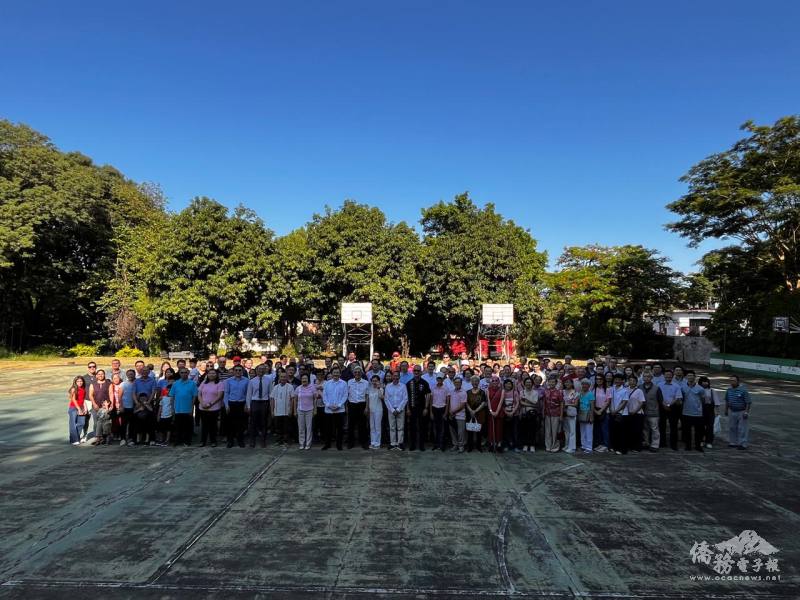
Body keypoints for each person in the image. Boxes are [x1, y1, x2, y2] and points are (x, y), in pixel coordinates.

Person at [170, 368, 198, 446]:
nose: (184, 374)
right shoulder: (175, 383)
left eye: (185, 372)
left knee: (187, 427)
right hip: (178, 409)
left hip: (188, 409)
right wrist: (172, 408)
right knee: (178, 427)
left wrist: (192, 408)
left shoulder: (192, 384)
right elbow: (172, 396)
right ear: (179, 373)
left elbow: (194, 397)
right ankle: (178, 440)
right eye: (182, 372)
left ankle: (187, 441)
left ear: (188, 373)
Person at [406, 365, 431, 452]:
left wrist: (426, 408)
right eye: (415, 371)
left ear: (421, 372)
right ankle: (413, 445)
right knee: (412, 427)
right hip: (412, 408)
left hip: (421, 408)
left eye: (418, 371)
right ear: (413, 372)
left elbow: (428, 395)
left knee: (422, 427)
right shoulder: (409, 383)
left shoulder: (424, 383)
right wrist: (408, 409)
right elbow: (407, 397)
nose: (416, 372)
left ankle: (421, 445)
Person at [223, 365, 249, 448]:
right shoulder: (228, 381)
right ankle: (230, 441)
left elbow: (248, 394)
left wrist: (246, 404)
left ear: (242, 371)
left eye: (239, 370)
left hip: (242, 404)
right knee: (230, 424)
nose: (238, 372)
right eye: (236, 370)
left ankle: (240, 440)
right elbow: (226, 393)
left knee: (241, 424)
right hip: (232, 404)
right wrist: (226, 405)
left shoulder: (246, 381)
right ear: (233, 371)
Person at [247, 364, 272, 448]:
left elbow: (270, 393)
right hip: (255, 403)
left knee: (263, 423)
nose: (261, 371)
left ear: (265, 370)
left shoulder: (268, 380)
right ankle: (252, 440)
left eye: (262, 369)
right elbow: (249, 395)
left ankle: (263, 441)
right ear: (256, 370)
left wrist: (270, 405)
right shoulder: (252, 381)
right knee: (253, 423)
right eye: (259, 369)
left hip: (264, 403)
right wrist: (248, 406)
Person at [322, 367, 348, 450]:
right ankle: (327, 444)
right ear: (331, 373)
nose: (336, 374)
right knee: (328, 428)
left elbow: (345, 395)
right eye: (334, 372)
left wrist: (339, 405)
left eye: (337, 373)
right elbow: (324, 395)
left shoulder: (344, 383)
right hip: (328, 410)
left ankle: (339, 445)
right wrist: (329, 405)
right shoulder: (327, 383)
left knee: (339, 429)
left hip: (339, 409)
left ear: (340, 374)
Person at [198, 368, 224, 447]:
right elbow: (199, 394)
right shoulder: (203, 383)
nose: (211, 375)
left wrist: (210, 404)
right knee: (204, 425)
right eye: (210, 373)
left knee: (213, 426)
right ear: (207, 375)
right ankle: (203, 441)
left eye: (213, 373)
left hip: (214, 408)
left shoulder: (220, 383)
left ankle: (213, 441)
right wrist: (202, 403)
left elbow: (220, 396)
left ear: (216, 375)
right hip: (203, 408)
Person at [658, 369, 683, 451]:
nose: (668, 376)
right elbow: (658, 397)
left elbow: (678, 397)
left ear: (672, 376)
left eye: (670, 375)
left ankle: (673, 444)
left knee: (673, 427)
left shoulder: (676, 386)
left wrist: (669, 405)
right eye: (666, 375)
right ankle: (662, 443)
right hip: (662, 407)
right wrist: (664, 404)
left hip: (673, 408)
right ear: (664, 376)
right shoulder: (659, 385)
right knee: (662, 426)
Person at [725, 375, 752, 450]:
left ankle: (743, 444)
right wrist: (726, 410)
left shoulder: (743, 390)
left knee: (742, 428)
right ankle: (733, 442)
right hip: (732, 411)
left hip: (741, 411)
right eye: (731, 380)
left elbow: (748, 402)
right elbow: (727, 400)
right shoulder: (729, 390)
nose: (732, 382)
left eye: (734, 380)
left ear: (738, 381)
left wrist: (746, 412)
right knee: (732, 427)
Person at [681, 371, 705, 452]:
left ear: (695, 377)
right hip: (686, 412)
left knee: (698, 432)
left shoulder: (700, 388)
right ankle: (688, 446)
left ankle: (698, 446)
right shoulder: (682, 387)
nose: (690, 377)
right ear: (686, 377)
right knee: (687, 431)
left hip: (697, 413)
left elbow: (703, 400)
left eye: (692, 376)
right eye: (688, 375)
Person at [384, 370, 408, 450]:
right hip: (391, 410)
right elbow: (386, 399)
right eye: (394, 376)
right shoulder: (388, 386)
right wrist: (392, 409)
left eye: (397, 376)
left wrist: (398, 409)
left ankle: (400, 443)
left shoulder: (403, 386)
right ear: (392, 377)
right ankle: (393, 443)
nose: (395, 377)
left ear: (399, 377)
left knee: (400, 427)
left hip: (400, 409)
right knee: (392, 427)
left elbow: (405, 398)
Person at [346, 368, 369, 450]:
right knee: (351, 425)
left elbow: (367, 395)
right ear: (353, 373)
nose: (357, 373)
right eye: (355, 372)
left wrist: (366, 407)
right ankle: (350, 443)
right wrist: (347, 407)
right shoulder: (349, 382)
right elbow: (347, 395)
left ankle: (363, 442)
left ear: (361, 373)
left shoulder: (366, 382)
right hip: (352, 405)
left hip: (362, 405)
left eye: (359, 372)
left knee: (362, 425)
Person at [293, 373, 317, 450]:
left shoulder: (312, 388)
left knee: (309, 428)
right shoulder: (298, 388)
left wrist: (315, 410)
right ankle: (301, 443)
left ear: (308, 379)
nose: (304, 380)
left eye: (305, 378)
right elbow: (295, 400)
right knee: (301, 428)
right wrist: (295, 411)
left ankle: (308, 443)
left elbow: (315, 399)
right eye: (303, 378)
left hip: (310, 410)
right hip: (300, 410)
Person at [270, 371, 293, 446]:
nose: (283, 378)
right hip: (277, 411)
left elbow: (292, 399)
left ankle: (286, 441)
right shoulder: (276, 387)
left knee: (286, 427)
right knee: (278, 427)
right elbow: (272, 399)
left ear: (286, 378)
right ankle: (279, 440)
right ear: (279, 378)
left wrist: (291, 410)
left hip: (286, 411)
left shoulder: (290, 386)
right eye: (281, 377)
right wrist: (272, 411)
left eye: (284, 377)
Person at [88, 367, 111, 442]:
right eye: (99, 374)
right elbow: (90, 395)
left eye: (102, 374)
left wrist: (109, 404)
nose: (100, 375)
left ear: (104, 375)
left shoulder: (108, 383)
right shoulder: (93, 384)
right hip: (96, 405)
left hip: (105, 405)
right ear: (96, 375)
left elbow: (110, 394)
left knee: (106, 422)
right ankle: (97, 437)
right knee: (96, 422)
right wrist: (94, 404)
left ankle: (105, 437)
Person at [640, 372, 661, 452]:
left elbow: (660, 400)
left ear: (651, 378)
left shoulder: (656, 388)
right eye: (645, 376)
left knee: (654, 429)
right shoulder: (640, 387)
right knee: (645, 429)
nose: (646, 378)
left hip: (653, 412)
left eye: (648, 376)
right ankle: (646, 443)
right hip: (642, 412)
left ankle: (655, 445)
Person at [542, 375, 563, 452]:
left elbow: (561, 403)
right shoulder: (546, 391)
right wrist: (543, 412)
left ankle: (555, 446)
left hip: (556, 413)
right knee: (548, 431)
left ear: (556, 383)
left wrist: (561, 415)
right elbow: (544, 402)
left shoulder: (559, 392)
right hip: (547, 413)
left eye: (553, 382)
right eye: (550, 382)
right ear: (548, 382)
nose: (551, 383)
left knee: (555, 431)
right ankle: (548, 445)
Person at [465, 376, 487, 452]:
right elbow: (466, 403)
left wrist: (475, 411)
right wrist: (471, 411)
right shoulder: (467, 392)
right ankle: (470, 446)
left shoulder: (482, 392)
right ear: (471, 382)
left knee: (479, 431)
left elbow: (483, 403)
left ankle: (478, 446)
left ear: (478, 382)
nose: (475, 383)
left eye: (476, 381)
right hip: (470, 413)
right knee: (470, 430)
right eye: (473, 381)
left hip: (479, 413)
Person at [519, 377, 540, 452]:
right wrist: (532, 405)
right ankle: (525, 444)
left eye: (530, 382)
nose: (528, 384)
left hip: (532, 414)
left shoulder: (535, 392)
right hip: (524, 413)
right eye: (527, 382)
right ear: (524, 383)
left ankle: (532, 445)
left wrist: (526, 400)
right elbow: (521, 402)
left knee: (532, 430)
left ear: (532, 383)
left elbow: (535, 402)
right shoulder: (522, 392)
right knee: (524, 430)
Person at [609, 374, 628, 454]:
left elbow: (624, 402)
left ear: (622, 380)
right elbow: (609, 400)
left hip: (622, 413)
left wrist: (616, 410)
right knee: (614, 431)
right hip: (613, 413)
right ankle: (615, 447)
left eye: (619, 379)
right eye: (616, 379)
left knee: (622, 433)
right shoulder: (611, 389)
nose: (617, 381)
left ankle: (622, 449)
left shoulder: (625, 390)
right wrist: (611, 410)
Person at [698, 376, 719, 449]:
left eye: (706, 381)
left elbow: (716, 402)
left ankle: (709, 442)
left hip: (710, 410)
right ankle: (701, 440)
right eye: (703, 381)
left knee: (710, 427)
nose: (705, 383)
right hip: (700, 410)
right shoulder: (698, 390)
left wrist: (716, 412)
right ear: (700, 382)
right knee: (700, 426)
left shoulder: (712, 391)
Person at [447, 377, 467, 453]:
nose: (457, 384)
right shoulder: (451, 391)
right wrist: (449, 412)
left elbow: (462, 405)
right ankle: (455, 444)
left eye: (459, 382)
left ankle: (461, 445)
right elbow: (449, 402)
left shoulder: (463, 392)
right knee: (452, 431)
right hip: (451, 415)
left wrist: (453, 412)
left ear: (461, 383)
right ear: (454, 383)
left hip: (460, 415)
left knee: (460, 432)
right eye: (456, 382)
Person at [625, 375, 645, 453]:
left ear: (636, 382)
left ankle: (637, 447)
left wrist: (635, 411)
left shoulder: (639, 391)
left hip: (637, 414)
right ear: (628, 381)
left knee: (637, 431)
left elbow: (642, 402)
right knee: (629, 431)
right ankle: (630, 446)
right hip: (628, 413)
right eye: (630, 380)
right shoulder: (625, 390)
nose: (632, 382)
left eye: (634, 381)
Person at [500, 378, 520, 452]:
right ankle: (506, 445)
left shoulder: (515, 392)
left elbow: (517, 403)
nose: (508, 385)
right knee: (506, 431)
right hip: (505, 414)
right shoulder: (503, 392)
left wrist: (512, 412)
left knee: (514, 431)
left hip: (515, 414)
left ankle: (515, 446)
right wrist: (506, 412)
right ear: (504, 385)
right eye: (506, 384)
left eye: (509, 384)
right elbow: (501, 404)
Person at [430, 375, 449, 451]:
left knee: (442, 428)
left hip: (442, 409)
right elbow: (431, 401)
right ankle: (436, 444)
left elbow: (448, 401)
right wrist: (431, 412)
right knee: (435, 428)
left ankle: (441, 445)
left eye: (441, 378)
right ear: (437, 379)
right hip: (435, 408)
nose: (439, 380)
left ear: (443, 379)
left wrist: (446, 412)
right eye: (438, 378)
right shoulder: (433, 387)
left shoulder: (446, 388)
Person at [67, 376, 88, 445]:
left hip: (81, 407)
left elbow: (83, 399)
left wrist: (85, 408)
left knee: (82, 423)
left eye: (81, 381)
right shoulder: (73, 389)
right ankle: (74, 440)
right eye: (78, 381)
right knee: (73, 424)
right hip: (73, 408)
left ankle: (74, 438)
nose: (80, 382)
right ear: (75, 382)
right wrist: (79, 409)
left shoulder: (83, 389)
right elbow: (73, 399)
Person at [156, 371, 175, 447]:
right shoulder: (163, 398)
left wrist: (173, 416)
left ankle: (167, 440)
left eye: (170, 390)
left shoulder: (173, 398)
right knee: (161, 429)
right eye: (167, 390)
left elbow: (173, 407)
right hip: (162, 415)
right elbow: (160, 407)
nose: (169, 391)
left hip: (170, 415)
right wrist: (158, 416)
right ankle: (161, 439)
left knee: (168, 429)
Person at [592, 373, 610, 452]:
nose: (598, 380)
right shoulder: (593, 389)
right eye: (597, 379)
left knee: (604, 429)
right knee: (597, 429)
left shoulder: (607, 389)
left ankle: (606, 445)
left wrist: (601, 411)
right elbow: (591, 401)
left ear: (603, 380)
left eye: (600, 379)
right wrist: (595, 411)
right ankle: (599, 444)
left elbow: (608, 401)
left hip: (604, 410)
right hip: (595, 410)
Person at [119, 369, 137, 445]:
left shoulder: (137, 383)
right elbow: (119, 396)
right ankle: (123, 439)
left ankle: (131, 439)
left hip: (134, 407)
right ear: (126, 375)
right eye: (129, 374)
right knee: (124, 424)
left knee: (132, 424)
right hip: (125, 406)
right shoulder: (123, 384)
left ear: (134, 375)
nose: (130, 375)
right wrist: (121, 406)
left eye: (132, 374)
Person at [486, 377, 504, 453]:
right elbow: (488, 402)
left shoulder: (502, 390)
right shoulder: (487, 390)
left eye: (496, 381)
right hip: (491, 412)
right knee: (491, 428)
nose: (494, 382)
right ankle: (492, 443)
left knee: (499, 428)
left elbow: (501, 402)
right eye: (493, 381)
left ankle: (499, 444)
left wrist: (496, 412)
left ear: (499, 382)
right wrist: (491, 411)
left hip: (499, 411)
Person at [366, 375, 384, 449]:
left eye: (376, 381)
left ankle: (377, 443)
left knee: (377, 427)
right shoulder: (369, 389)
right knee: (372, 427)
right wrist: (367, 408)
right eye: (373, 381)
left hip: (378, 410)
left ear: (379, 381)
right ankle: (373, 442)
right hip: (371, 410)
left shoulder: (381, 389)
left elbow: (382, 397)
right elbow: (368, 399)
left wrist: (379, 388)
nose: (374, 382)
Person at [561, 378, 578, 454]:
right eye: (566, 382)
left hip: (571, 412)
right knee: (566, 430)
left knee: (572, 431)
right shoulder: (562, 392)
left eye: (569, 382)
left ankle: (572, 447)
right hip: (564, 413)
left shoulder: (575, 392)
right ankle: (567, 445)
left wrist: (566, 404)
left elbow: (576, 404)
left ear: (572, 383)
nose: (567, 384)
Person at [577, 378, 594, 453]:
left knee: (589, 431)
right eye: (583, 384)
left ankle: (589, 448)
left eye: (586, 384)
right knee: (582, 431)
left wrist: (591, 416)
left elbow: (592, 406)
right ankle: (583, 446)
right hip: (581, 413)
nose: (584, 385)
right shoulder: (580, 393)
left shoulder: (590, 394)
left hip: (588, 413)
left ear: (589, 385)